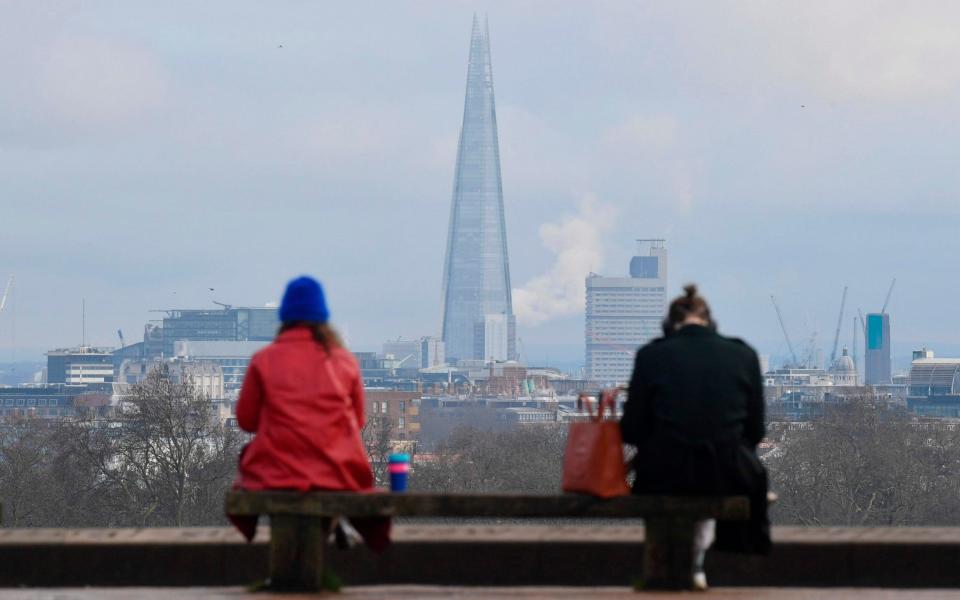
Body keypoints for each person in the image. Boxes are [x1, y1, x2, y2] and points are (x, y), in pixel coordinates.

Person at [620, 284, 770, 589]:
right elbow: (755, 431)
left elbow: (632, 430)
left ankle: (664, 570)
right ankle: (702, 563)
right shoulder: (743, 355)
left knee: (670, 484)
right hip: (727, 473)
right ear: (711, 323)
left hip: (664, 473)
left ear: (669, 326)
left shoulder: (651, 356)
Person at [228, 275, 387, 550]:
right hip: (335, 469)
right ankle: (334, 526)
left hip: (278, 471)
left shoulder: (264, 360)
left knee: (251, 459)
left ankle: (299, 556)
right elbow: (358, 421)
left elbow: (246, 421)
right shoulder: (345, 361)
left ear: (285, 317)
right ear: (322, 317)